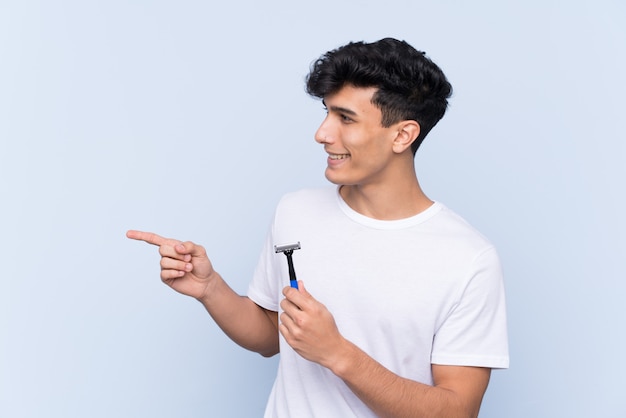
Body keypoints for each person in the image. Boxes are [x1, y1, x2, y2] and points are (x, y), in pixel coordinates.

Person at [127, 37, 508, 418]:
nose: (322, 133)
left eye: (345, 118)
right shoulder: (295, 210)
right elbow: (269, 335)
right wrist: (210, 289)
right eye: (326, 113)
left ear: (402, 135)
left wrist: (338, 353)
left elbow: (458, 410)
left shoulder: (467, 258)